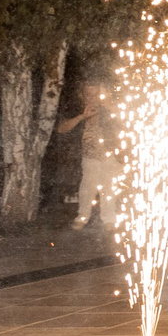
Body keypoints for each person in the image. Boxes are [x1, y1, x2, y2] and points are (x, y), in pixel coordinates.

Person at [58, 83, 121, 231]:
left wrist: (108, 105)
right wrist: (82, 116)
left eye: (96, 94)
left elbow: (124, 118)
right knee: (87, 187)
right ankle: (82, 217)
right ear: (83, 95)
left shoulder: (108, 108)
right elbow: (61, 128)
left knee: (109, 187)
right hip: (89, 156)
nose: (92, 98)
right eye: (88, 94)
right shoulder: (78, 109)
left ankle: (109, 220)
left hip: (110, 155)